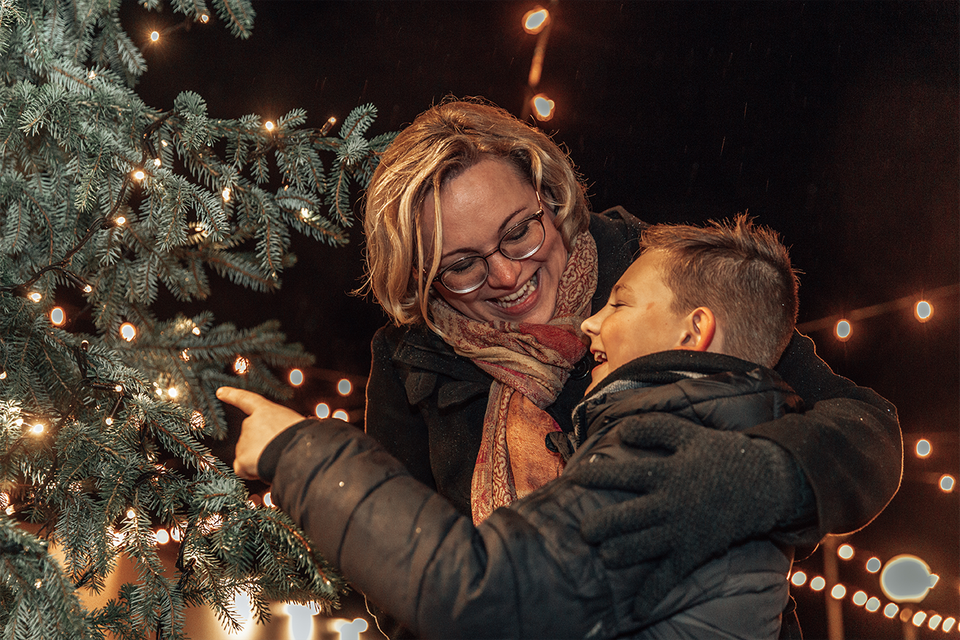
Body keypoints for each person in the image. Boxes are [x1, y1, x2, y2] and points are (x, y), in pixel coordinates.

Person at [228, 98, 901, 634]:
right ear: (423, 278)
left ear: (550, 195)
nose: (505, 274)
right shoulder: (410, 361)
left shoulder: (657, 284)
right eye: (460, 266)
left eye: (519, 231)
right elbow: (404, 578)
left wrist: (736, 484)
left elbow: (865, 430)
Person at [222, 215, 827, 639]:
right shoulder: (723, 439)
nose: (592, 323)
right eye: (461, 263)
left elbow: (485, 595)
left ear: (694, 331)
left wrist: (300, 450)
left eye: (619, 303)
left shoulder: (676, 458)